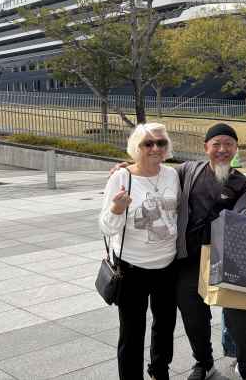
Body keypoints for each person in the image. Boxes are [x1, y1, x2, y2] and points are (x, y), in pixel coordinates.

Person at [113, 122, 246, 380]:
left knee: (240, 315)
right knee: (192, 314)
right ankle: (204, 362)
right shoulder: (187, 171)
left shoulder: (242, 184)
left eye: (229, 144)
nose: (222, 150)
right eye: (216, 144)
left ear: (236, 148)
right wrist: (125, 167)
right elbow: (152, 167)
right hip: (189, 260)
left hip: (225, 259)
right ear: (206, 148)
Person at [99, 123, 180, 380]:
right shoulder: (121, 178)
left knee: (165, 326)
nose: (155, 148)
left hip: (167, 266)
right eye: (148, 144)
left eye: (161, 143)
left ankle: (159, 370)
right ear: (136, 148)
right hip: (132, 267)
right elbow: (105, 226)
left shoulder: (172, 175)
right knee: (132, 332)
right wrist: (116, 210)